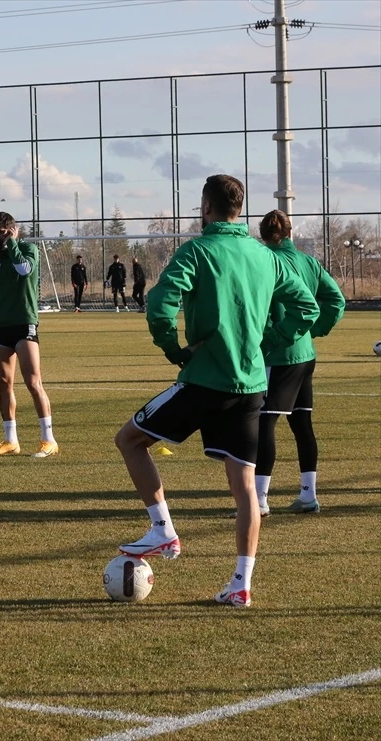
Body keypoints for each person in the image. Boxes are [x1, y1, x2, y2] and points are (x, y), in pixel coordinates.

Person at [114, 175, 318, 608]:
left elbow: (159, 304)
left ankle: (162, 530)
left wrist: (174, 349)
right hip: (251, 387)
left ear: (206, 206)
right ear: (239, 210)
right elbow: (309, 307)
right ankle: (241, 584)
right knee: (245, 487)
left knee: (130, 440)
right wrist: (272, 339)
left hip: (205, 380)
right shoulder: (266, 256)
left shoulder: (198, 251)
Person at [255, 210, 345, 516]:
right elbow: (336, 300)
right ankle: (308, 495)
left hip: (278, 356)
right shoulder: (308, 261)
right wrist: (314, 329)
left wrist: (271, 337)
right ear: (290, 233)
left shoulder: (264, 261)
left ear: (262, 234)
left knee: (263, 423)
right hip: (305, 355)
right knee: (302, 425)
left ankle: (259, 500)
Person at [0, 212, 59, 459]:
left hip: (24, 324)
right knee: (3, 384)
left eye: (2, 232)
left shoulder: (27, 249)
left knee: (33, 382)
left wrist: (13, 242)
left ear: (13, 231)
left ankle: (49, 440)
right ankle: (11, 440)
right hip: (0, 326)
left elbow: (24, 270)